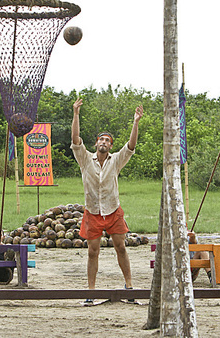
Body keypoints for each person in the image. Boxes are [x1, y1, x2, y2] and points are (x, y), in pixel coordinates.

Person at [70, 98, 143, 305]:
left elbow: (130, 147)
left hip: (112, 210)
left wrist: (135, 122)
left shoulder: (116, 160)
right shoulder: (85, 159)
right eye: (100, 140)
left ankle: (129, 288)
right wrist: (76, 114)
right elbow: (76, 140)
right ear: (96, 143)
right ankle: (91, 292)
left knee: (121, 247)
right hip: (92, 211)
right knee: (93, 251)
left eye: (107, 141)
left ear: (111, 146)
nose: (103, 142)